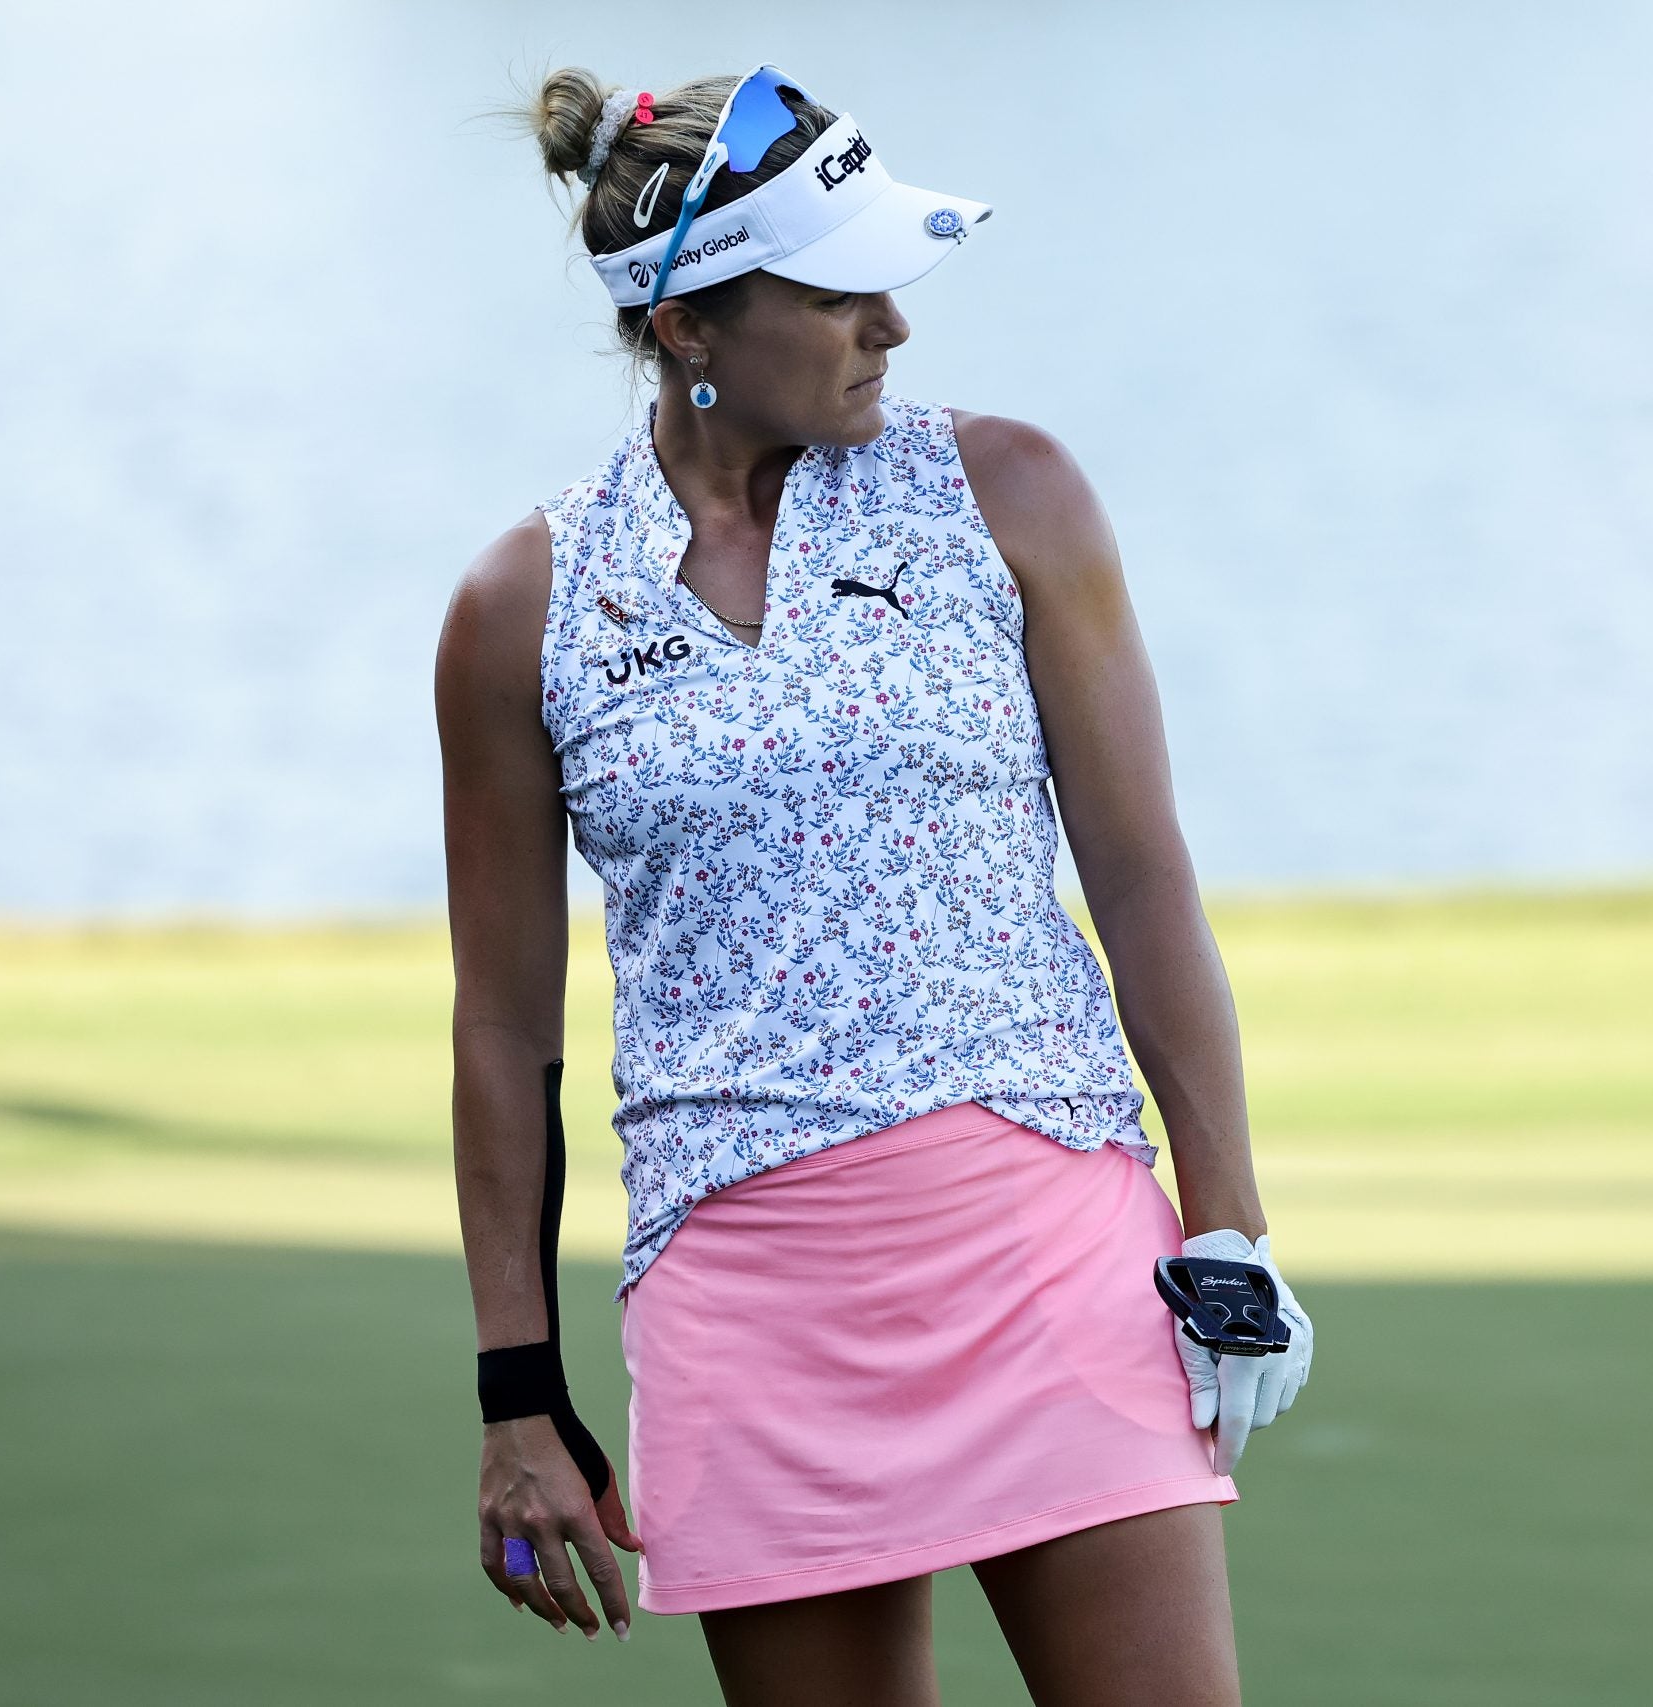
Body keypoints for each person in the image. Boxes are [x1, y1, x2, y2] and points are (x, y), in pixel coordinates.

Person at [435, 62, 1316, 1704]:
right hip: (748, 1308)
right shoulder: (521, 607)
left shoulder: (1010, 493)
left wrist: (1234, 1222)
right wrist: (515, 1390)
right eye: (839, 292)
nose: (892, 327)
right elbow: (504, 1032)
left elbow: (1140, 879)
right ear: (690, 325)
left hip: (1050, 1246)